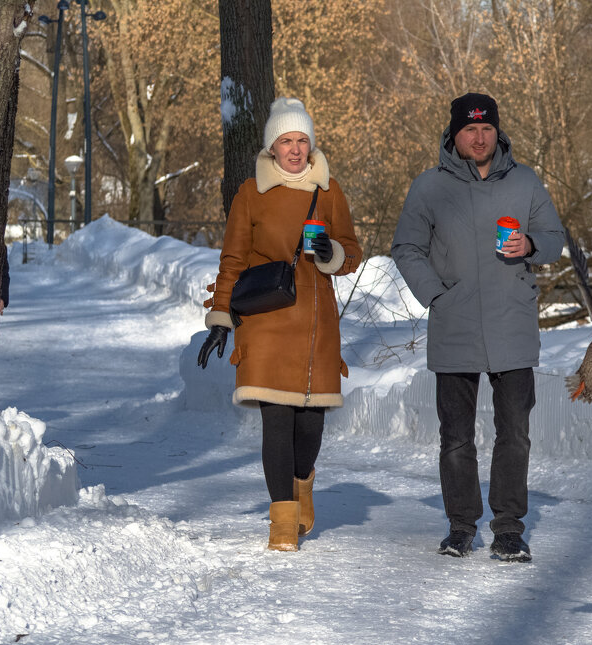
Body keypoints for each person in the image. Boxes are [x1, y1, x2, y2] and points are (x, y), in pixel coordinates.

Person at [391, 92, 565, 562]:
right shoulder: (429, 187)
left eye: (486, 128)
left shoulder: (525, 181)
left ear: (497, 131)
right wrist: (436, 295)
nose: (480, 137)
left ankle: (508, 528)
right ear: (454, 134)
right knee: (456, 436)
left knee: (515, 434)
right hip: (454, 324)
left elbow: (555, 239)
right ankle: (461, 526)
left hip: (513, 325)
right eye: (470, 130)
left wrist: (530, 243)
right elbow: (405, 247)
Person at [198, 97, 362, 552]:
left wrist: (332, 253)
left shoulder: (329, 193)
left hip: (315, 322)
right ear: (272, 146)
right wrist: (221, 320)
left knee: (309, 427)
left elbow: (353, 251)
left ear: (311, 144)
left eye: (302, 140)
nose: (294, 148)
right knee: (276, 421)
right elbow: (232, 259)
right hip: (266, 321)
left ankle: (302, 483)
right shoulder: (251, 193)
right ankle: (282, 522)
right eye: (286, 140)